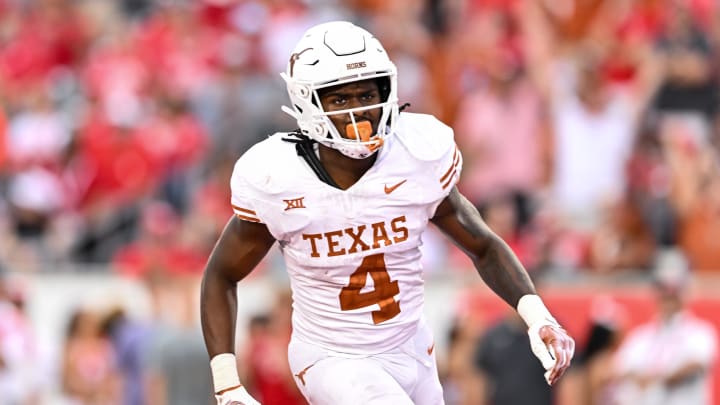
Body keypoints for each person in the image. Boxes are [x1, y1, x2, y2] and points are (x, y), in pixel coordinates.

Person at [200, 21, 575, 405]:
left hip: (412, 347)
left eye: (366, 93)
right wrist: (227, 383)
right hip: (333, 357)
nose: (358, 111)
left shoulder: (416, 153)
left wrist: (538, 317)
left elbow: (483, 245)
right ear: (306, 102)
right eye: (340, 99)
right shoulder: (278, 178)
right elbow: (221, 273)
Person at [613, 250, 718, 405]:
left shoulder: (701, 333)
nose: (668, 294)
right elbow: (617, 370)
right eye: (663, 288)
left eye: (674, 288)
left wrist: (653, 379)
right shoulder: (641, 336)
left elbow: (695, 364)